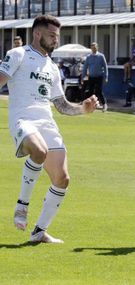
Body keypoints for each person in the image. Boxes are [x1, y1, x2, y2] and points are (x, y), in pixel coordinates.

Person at [0, 15, 98, 243]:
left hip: (47, 122)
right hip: (23, 119)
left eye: (57, 36)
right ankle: (22, 206)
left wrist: (83, 109)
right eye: (52, 35)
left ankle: (39, 232)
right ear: (37, 34)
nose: (56, 40)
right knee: (39, 151)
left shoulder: (53, 68)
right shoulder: (18, 55)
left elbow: (62, 106)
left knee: (62, 179)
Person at [81, 42, 108, 111]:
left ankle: (104, 104)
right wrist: (83, 77)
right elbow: (85, 67)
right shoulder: (89, 57)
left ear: (97, 48)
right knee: (90, 91)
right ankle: (90, 106)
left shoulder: (101, 56)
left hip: (99, 76)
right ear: (91, 48)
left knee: (99, 91)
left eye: (95, 47)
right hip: (91, 77)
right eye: (92, 48)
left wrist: (106, 76)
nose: (94, 49)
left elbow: (105, 67)